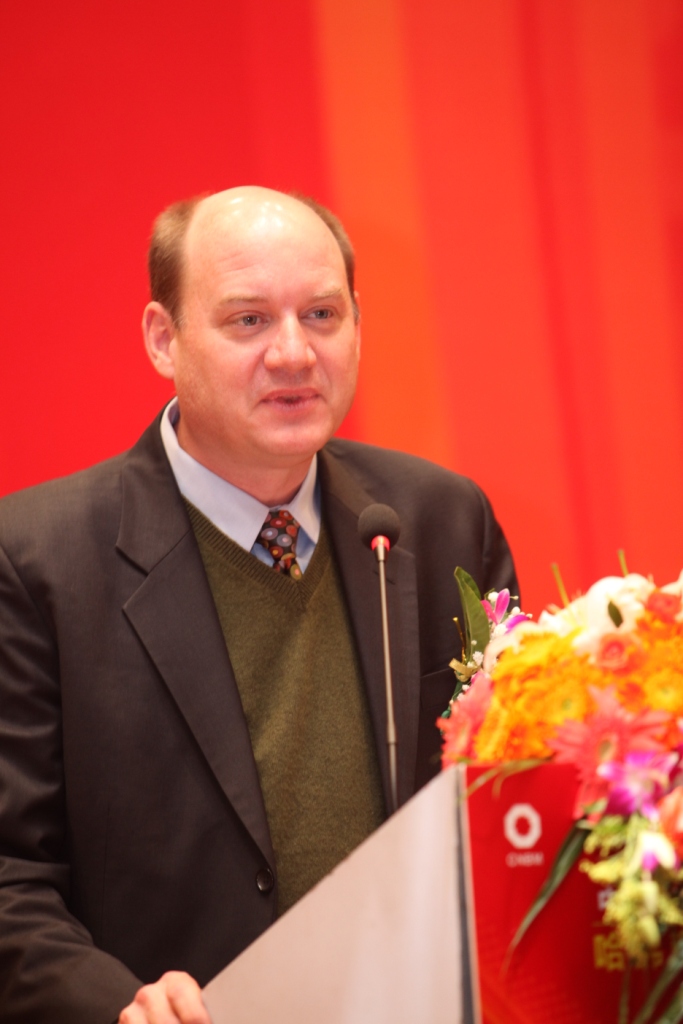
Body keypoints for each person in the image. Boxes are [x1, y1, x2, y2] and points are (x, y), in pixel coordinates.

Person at [0, 187, 518, 1023]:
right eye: (248, 320)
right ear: (162, 339)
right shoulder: (35, 562)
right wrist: (115, 1003)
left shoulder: (439, 518)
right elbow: (10, 877)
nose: (294, 353)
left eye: (321, 315)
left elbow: (509, 801)